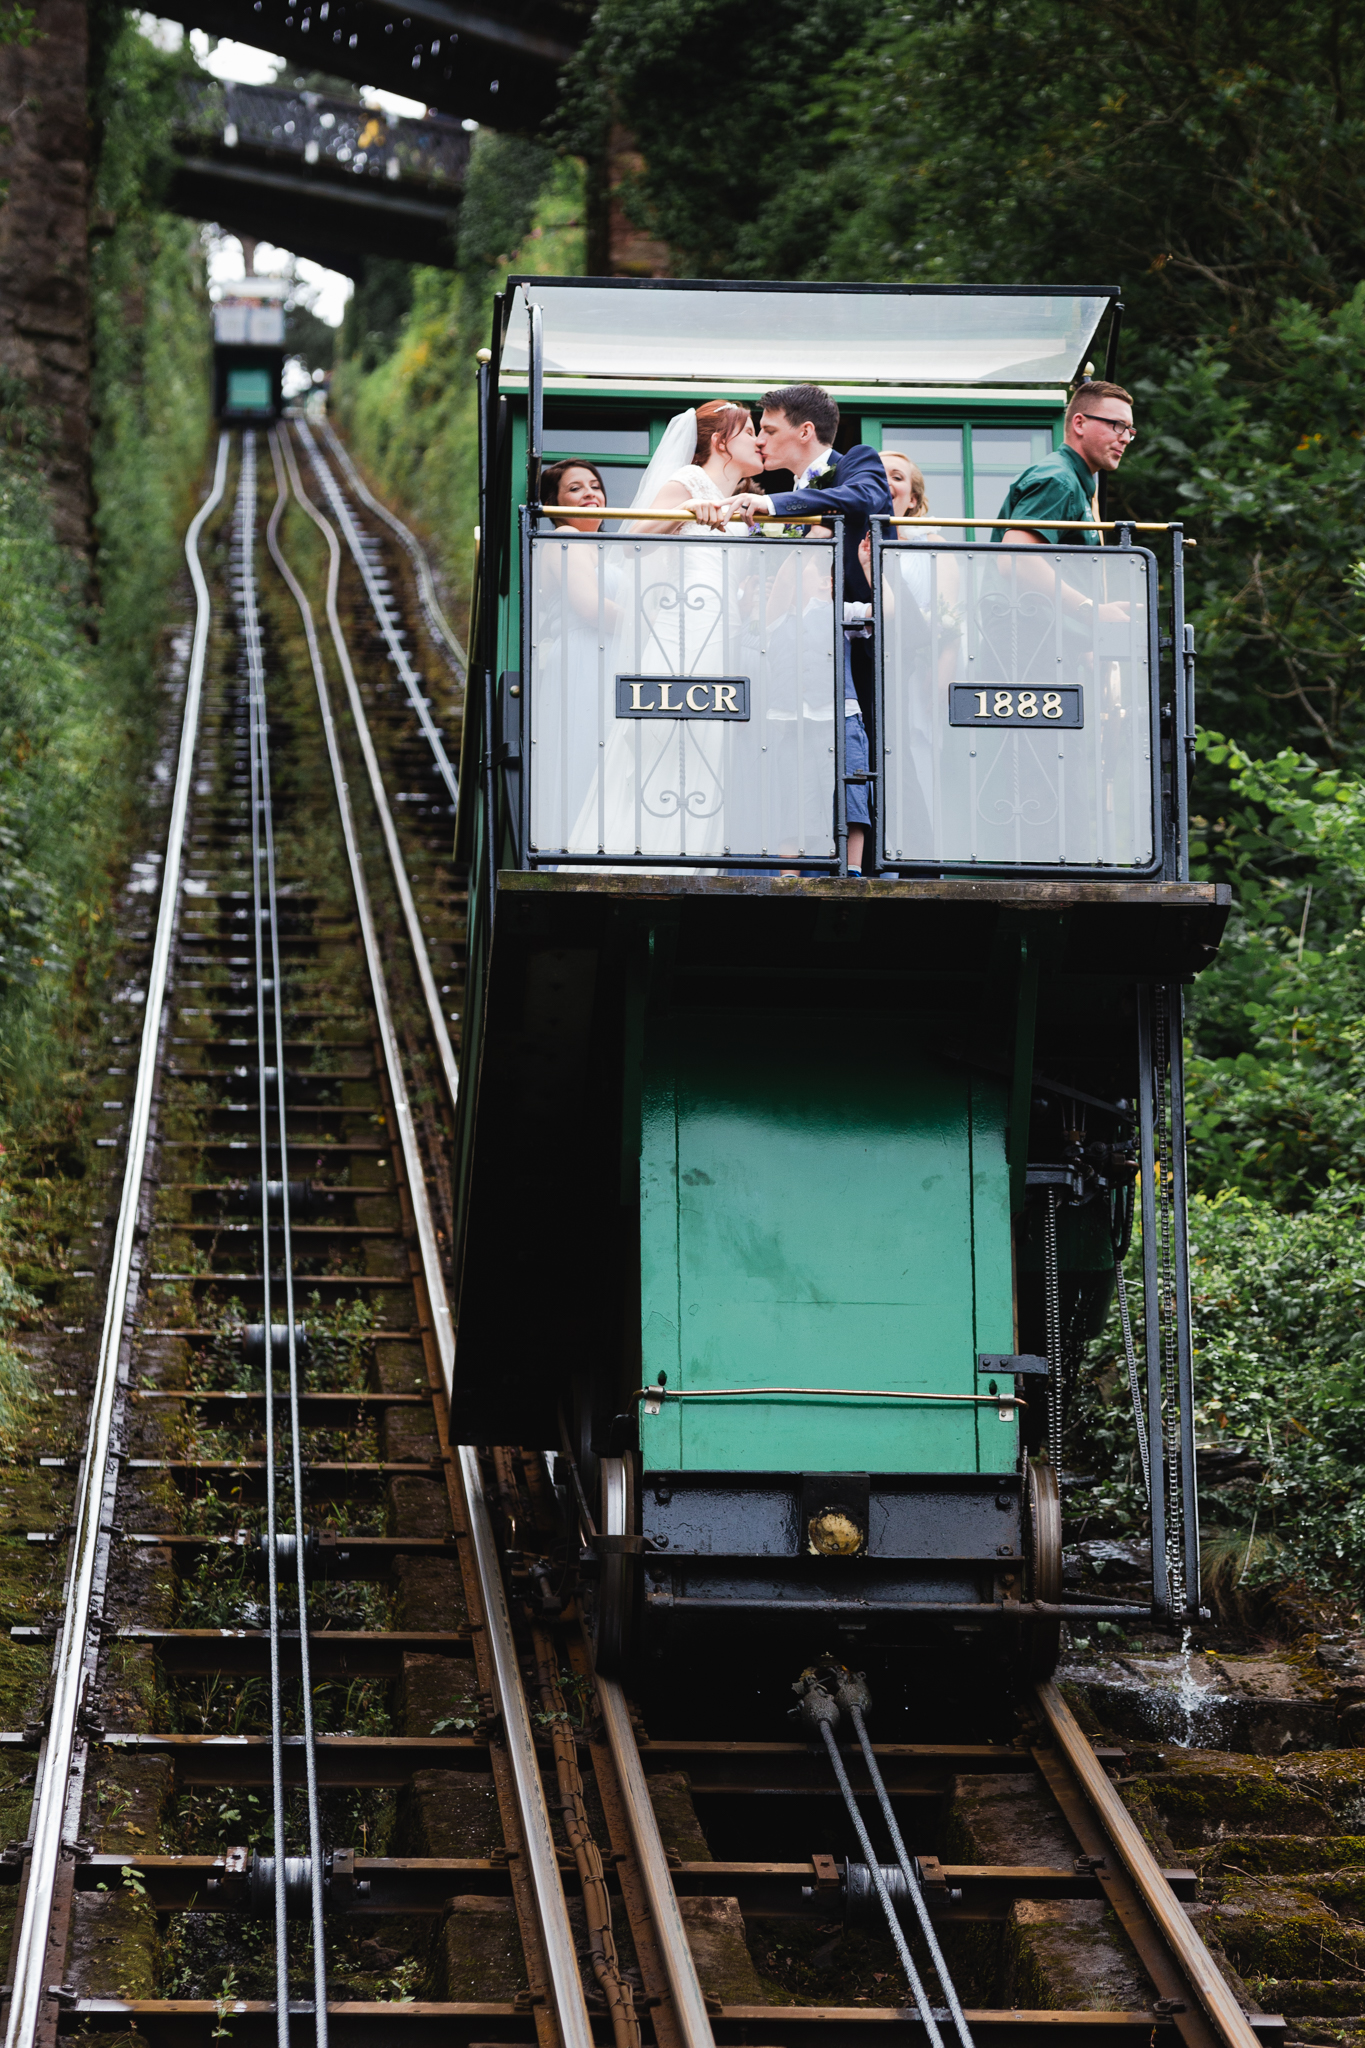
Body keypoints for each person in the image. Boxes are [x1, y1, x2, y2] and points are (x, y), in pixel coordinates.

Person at [691, 384, 893, 877]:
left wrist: (776, 507)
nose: (760, 439)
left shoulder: (855, 463)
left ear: (806, 431)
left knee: (855, 758)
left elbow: (869, 496)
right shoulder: (775, 497)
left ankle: (858, 873)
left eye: (769, 429)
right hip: (781, 657)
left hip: (852, 656)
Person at [995, 381, 1136, 623]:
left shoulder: (1074, 481)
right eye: (1117, 425)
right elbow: (1017, 560)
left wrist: (1084, 647)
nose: (1124, 438)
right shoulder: (1058, 479)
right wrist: (1090, 610)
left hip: (1048, 643)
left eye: (1129, 430)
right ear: (1079, 423)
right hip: (1027, 645)